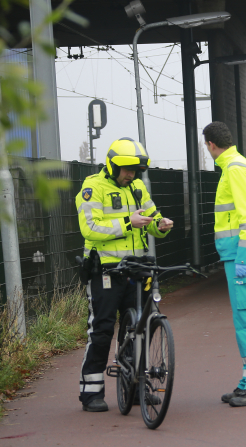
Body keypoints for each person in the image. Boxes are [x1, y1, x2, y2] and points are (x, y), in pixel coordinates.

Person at [75, 137, 174, 412]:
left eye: (135, 171)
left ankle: (134, 389)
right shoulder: (92, 187)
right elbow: (90, 228)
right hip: (105, 270)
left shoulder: (138, 187)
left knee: (137, 330)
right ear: (112, 165)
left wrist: (161, 225)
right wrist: (127, 223)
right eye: (126, 170)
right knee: (102, 328)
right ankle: (91, 393)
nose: (130, 175)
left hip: (136, 269)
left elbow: (151, 221)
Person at [203, 121, 246, 407]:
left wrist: (243, 257)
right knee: (243, 317)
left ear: (210, 145)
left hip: (245, 255)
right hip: (242, 254)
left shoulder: (234, 169)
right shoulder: (238, 166)